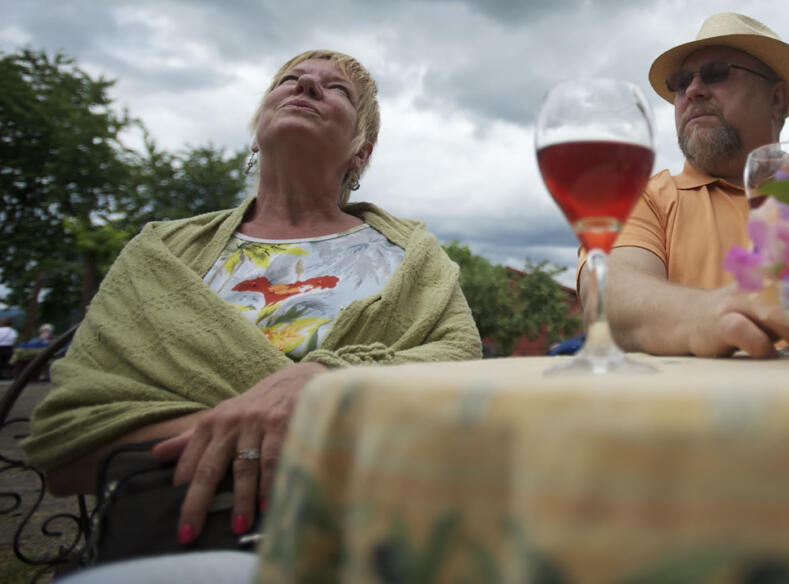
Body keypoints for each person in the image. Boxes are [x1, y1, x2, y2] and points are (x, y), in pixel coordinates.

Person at [24, 50, 481, 566]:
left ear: (360, 152)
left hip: (374, 546)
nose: (307, 84)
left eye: (336, 90)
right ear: (259, 123)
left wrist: (323, 382)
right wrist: (257, 425)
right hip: (177, 552)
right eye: (290, 79)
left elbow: (462, 370)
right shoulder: (161, 252)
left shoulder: (413, 257)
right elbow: (67, 443)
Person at [590, 12, 789, 358]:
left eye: (717, 73)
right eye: (680, 83)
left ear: (776, 99)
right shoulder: (645, 198)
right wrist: (710, 316)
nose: (693, 91)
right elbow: (610, 294)